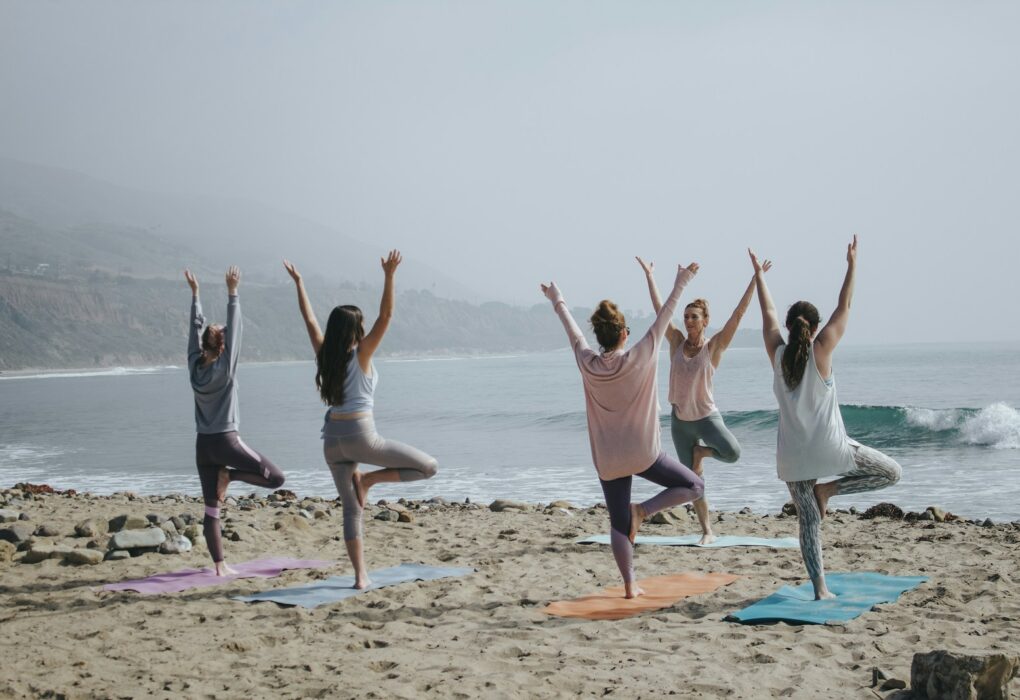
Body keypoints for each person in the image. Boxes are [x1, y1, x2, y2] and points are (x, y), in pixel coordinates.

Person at [541, 263, 705, 599]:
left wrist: (557, 299)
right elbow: (666, 316)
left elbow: (572, 331)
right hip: (643, 453)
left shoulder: (587, 362)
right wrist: (682, 281)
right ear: (624, 333)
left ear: (600, 337)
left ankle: (630, 586)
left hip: (608, 459)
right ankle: (643, 511)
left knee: (617, 524)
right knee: (694, 485)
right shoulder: (640, 355)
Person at [750, 236, 901, 599]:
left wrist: (760, 277)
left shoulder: (777, 355)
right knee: (891, 473)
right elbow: (845, 304)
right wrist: (851, 265)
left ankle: (820, 589)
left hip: (793, 458)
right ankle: (830, 489)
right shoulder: (823, 351)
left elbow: (767, 315)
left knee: (808, 523)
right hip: (832, 451)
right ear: (815, 328)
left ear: (789, 328)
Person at [284, 251, 438, 589]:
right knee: (428, 468)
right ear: (357, 329)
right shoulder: (362, 354)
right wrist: (389, 275)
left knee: (351, 511)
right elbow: (387, 315)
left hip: (331, 443)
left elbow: (309, 321)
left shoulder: (325, 355)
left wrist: (300, 284)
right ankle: (369, 480)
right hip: (360, 437)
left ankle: (360, 577)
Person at [636, 256, 771, 544]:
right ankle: (707, 530)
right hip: (680, 423)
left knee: (733, 453)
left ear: (705, 321)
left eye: (694, 316)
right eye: (686, 316)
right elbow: (662, 311)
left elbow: (738, 314)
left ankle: (702, 453)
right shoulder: (674, 342)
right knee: (694, 485)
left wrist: (754, 279)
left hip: (707, 418)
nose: (687, 321)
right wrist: (650, 276)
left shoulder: (715, 347)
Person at [185, 266, 286, 576]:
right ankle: (231, 477)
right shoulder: (226, 368)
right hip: (227, 442)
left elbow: (194, 329)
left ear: (203, 345)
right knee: (276, 479)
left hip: (204, 446)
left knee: (211, 509)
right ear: (224, 347)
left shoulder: (193, 365)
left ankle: (220, 566)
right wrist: (233, 292)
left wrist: (196, 296)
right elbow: (236, 326)